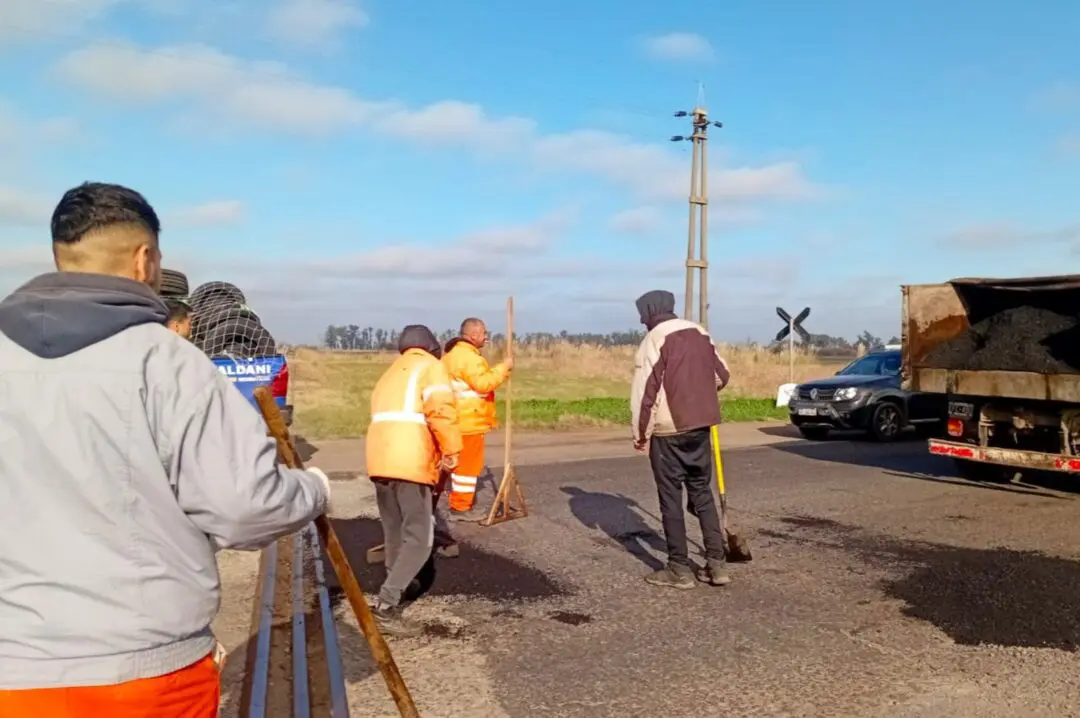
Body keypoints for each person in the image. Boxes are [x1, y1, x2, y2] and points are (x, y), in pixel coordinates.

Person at [0, 182, 332, 717]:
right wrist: (312, 491)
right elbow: (245, 509)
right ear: (145, 259)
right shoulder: (169, 363)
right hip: (143, 674)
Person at [629, 289, 732, 590]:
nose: (641, 320)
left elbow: (644, 393)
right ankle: (717, 564)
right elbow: (722, 376)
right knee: (702, 492)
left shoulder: (653, 340)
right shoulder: (700, 332)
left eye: (642, 315)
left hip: (668, 431)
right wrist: (697, 394)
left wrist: (639, 435)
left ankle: (679, 569)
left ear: (648, 312)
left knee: (670, 499)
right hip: (701, 427)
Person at [366, 324, 462, 636]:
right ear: (432, 347)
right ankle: (387, 602)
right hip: (410, 461)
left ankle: (398, 585)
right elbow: (441, 411)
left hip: (380, 461)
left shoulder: (390, 372)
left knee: (394, 531)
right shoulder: (431, 367)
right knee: (420, 538)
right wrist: (451, 449)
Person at [442, 317, 513, 522]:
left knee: (450, 463)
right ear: (473, 334)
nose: (486, 337)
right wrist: (503, 367)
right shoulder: (468, 358)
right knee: (467, 467)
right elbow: (483, 384)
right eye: (484, 333)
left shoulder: (451, 356)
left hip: (451, 420)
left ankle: (442, 498)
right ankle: (461, 508)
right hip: (469, 421)